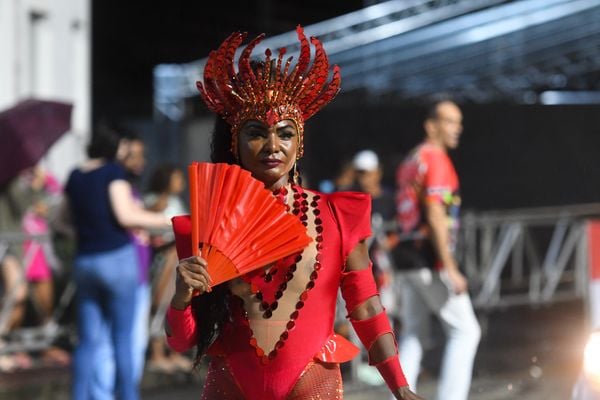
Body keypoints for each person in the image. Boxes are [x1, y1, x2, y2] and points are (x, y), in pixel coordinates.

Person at [164, 26, 422, 400]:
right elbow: (182, 341)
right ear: (234, 142)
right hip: (230, 386)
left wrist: (400, 386)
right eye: (256, 132)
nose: (272, 146)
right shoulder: (207, 223)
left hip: (311, 383)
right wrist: (180, 298)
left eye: (285, 133)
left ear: (299, 143)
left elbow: (365, 305)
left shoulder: (336, 216)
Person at [61, 125, 171, 400]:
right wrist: (169, 221)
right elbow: (126, 216)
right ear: (114, 146)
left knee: (87, 341)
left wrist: (87, 232)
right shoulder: (113, 172)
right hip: (117, 260)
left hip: (85, 260)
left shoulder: (75, 175)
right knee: (122, 339)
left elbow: (59, 221)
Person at [392, 99, 481, 400]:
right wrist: (451, 267)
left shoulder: (411, 159)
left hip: (405, 255)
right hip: (429, 258)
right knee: (466, 331)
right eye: (450, 121)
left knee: (414, 333)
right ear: (432, 125)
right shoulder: (437, 159)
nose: (458, 128)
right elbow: (434, 214)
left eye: (459, 122)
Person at [143, 163, 192, 373]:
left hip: (176, 258)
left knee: (175, 303)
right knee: (159, 303)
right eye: (177, 178)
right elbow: (151, 227)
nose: (181, 182)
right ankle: (156, 353)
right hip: (162, 259)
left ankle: (173, 352)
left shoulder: (175, 201)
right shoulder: (152, 201)